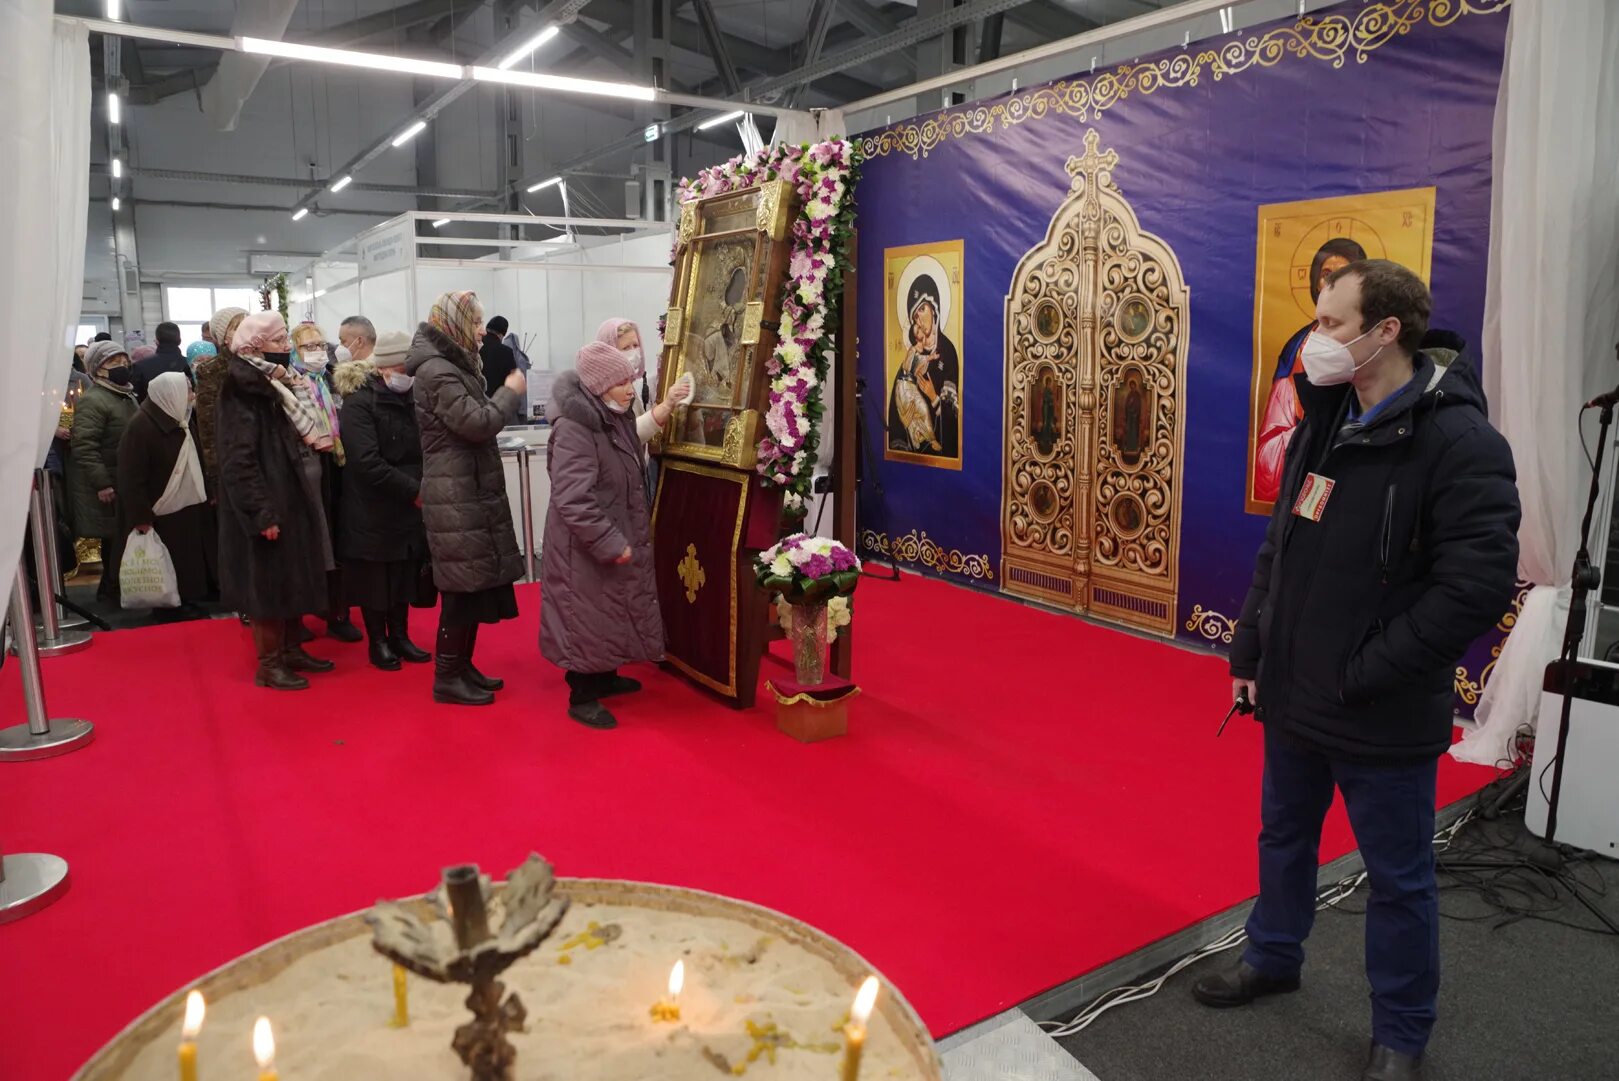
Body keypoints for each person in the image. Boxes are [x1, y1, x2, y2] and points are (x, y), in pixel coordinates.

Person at [1199, 260, 1521, 1081]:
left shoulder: (1459, 439)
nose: (1316, 339)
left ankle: (1401, 1031)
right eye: (1316, 320)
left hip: (1379, 706)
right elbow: (1283, 543)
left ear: (1385, 332)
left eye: (1332, 324)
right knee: (1282, 835)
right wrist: (1250, 646)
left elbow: (1474, 586)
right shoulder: (1328, 414)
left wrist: (1367, 667)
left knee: (1398, 879)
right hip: (1296, 691)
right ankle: (1272, 955)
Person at [541, 337, 692, 729]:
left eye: (631, 379)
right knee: (585, 614)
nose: (631, 388)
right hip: (584, 545)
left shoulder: (614, 417)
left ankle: (604, 675)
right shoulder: (576, 428)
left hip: (609, 532)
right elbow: (573, 499)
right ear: (598, 385)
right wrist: (609, 540)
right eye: (623, 382)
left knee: (608, 610)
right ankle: (582, 693)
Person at [406, 290, 527, 706]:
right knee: (459, 592)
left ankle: (461, 666)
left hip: (467, 489)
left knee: (472, 587)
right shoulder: (438, 372)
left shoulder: (455, 367)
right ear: (456, 323)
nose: (481, 330)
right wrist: (509, 392)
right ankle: (447, 676)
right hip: (454, 491)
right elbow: (476, 423)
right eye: (475, 321)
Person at [217, 311, 338, 690]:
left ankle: (289, 650)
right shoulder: (242, 389)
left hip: (289, 497)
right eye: (279, 341)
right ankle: (270, 664)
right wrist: (260, 512)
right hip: (269, 503)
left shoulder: (276, 383)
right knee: (268, 587)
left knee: (290, 579)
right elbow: (239, 458)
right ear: (256, 346)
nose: (288, 348)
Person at [334, 331, 433, 670]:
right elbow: (365, 461)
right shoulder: (359, 401)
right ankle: (378, 641)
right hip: (372, 505)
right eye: (407, 367)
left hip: (406, 503)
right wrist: (414, 490)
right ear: (389, 366)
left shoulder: (410, 397)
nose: (411, 375)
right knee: (376, 577)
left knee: (404, 572)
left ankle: (400, 636)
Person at [1253, 237, 1368, 504]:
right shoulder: (1297, 347)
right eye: (1326, 274)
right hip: (1303, 474)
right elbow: (1270, 443)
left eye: (1343, 274)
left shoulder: (1369, 344)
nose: (1332, 282)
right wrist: (1304, 432)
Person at [116, 371, 215, 611]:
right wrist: (140, 517)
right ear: (172, 394)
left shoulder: (180, 419)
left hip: (186, 506)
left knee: (187, 557)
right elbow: (131, 478)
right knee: (168, 559)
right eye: (188, 390)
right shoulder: (140, 427)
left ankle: (188, 598)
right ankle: (167, 608)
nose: (192, 395)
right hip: (159, 509)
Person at [291, 320, 362, 644]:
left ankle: (337, 612)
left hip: (337, 469)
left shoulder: (335, 380)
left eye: (321, 345)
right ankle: (299, 615)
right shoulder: (288, 384)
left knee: (338, 545)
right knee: (307, 546)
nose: (317, 352)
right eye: (309, 346)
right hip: (304, 476)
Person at [70, 341, 139, 604]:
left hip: (123, 477)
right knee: (114, 538)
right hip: (109, 481)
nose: (122, 367)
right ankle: (111, 591)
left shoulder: (124, 395)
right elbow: (85, 446)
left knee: (119, 537)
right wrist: (102, 483)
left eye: (124, 361)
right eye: (113, 363)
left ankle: (116, 588)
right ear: (98, 369)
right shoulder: (94, 400)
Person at [885, 274, 960, 458]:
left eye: (922, 308)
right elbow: (896, 409)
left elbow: (954, 416)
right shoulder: (911, 357)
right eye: (915, 314)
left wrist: (934, 397)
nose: (919, 318)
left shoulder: (947, 352)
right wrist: (904, 418)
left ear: (934, 309)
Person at [193, 307, 247, 497]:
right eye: (238, 326)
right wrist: (215, 476)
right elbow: (208, 428)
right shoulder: (211, 371)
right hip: (231, 460)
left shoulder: (260, 363)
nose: (245, 330)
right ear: (225, 337)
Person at [133, 321, 191, 401]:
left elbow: (136, 399)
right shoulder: (189, 364)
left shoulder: (140, 366)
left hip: (152, 411)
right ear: (180, 341)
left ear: (157, 341)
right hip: (185, 412)